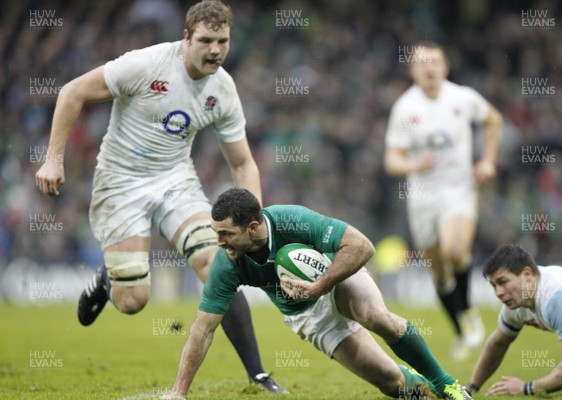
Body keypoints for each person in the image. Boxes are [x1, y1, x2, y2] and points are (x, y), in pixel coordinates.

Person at [34, 0, 285, 393]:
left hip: (175, 180)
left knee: (220, 264)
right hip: (120, 182)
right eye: (205, 40)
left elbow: (243, 163)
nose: (215, 50)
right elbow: (71, 92)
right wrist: (53, 160)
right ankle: (107, 281)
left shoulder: (223, 89)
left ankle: (258, 374)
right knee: (134, 300)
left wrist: (254, 222)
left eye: (222, 41)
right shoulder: (146, 64)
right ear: (186, 38)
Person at [161, 187, 472, 400]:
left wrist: (318, 285)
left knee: (376, 317)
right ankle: (419, 382)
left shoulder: (292, 219)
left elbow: (362, 246)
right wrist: (179, 392)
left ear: (252, 227)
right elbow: (203, 330)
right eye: (216, 233)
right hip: (305, 314)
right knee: (395, 386)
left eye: (226, 234)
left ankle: (448, 386)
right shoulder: (226, 265)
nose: (220, 242)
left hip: (334, 279)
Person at [384, 40, 503, 360]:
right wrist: (413, 164)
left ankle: (466, 310)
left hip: (458, 187)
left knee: (454, 249)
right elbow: (392, 160)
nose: (429, 67)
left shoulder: (462, 98)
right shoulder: (405, 108)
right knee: (437, 271)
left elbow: (494, 119)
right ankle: (462, 330)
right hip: (422, 194)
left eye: (435, 61)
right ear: (412, 71)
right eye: (422, 62)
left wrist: (488, 161)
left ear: (445, 66)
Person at [467, 244, 562, 396]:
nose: (498, 292)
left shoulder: (559, 298)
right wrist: (470, 388)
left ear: (527, 274)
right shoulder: (518, 302)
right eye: (494, 285)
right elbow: (498, 343)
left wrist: (526, 388)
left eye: (503, 282)